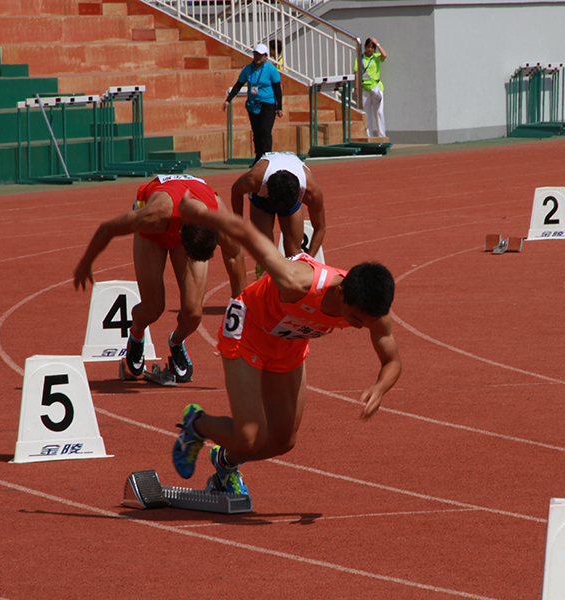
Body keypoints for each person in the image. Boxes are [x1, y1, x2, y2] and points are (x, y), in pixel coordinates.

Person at [169, 191, 402, 496]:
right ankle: (196, 424)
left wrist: (380, 388)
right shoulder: (296, 282)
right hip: (249, 331)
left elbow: (392, 360)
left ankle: (225, 462)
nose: (360, 326)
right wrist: (201, 214)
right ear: (341, 293)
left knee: (283, 441)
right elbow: (246, 233)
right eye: (355, 319)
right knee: (250, 436)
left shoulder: (373, 313)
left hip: (288, 343)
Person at [73, 174, 246, 383]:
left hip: (186, 221)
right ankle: (136, 333)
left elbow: (236, 263)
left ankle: (176, 342)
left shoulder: (221, 220)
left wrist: (236, 330)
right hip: (155, 229)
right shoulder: (152, 216)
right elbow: (108, 228)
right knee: (153, 309)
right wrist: (86, 262)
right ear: (181, 232)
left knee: (193, 314)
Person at [230, 152, 325, 270]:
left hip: (289, 198)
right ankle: (265, 277)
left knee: (294, 253)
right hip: (262, 201)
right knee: (266, 252)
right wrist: (238, 222)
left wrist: (307, 260)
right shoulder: (254, 179)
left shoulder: (311, 192)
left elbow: (320, 228)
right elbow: (236, 190)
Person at [222, 43, 283, 165]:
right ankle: (258, 157)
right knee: (256, 132)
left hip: (267, 104)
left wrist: (279, 107)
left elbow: (277, 89)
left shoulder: (271, 69)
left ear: (266, 56)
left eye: (260, 55)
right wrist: (228, 100)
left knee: (265, 131)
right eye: (255, 54)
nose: (257, 57)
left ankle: (267, 158)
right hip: (252, 104)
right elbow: (238, 85)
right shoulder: (247, 69)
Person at [354, 37, 387, 138]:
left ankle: (382, 136)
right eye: (368, 47)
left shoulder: (376, 57)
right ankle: (369, 136)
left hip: (376, 87)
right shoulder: (360, 58)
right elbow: (357, 73)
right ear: (365, 47)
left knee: (379, 112)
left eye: (372, 48)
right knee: (366, 113)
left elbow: (384, 55)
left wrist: (377, 43)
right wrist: (356, 88)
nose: (370, 50)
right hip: (365, 88)